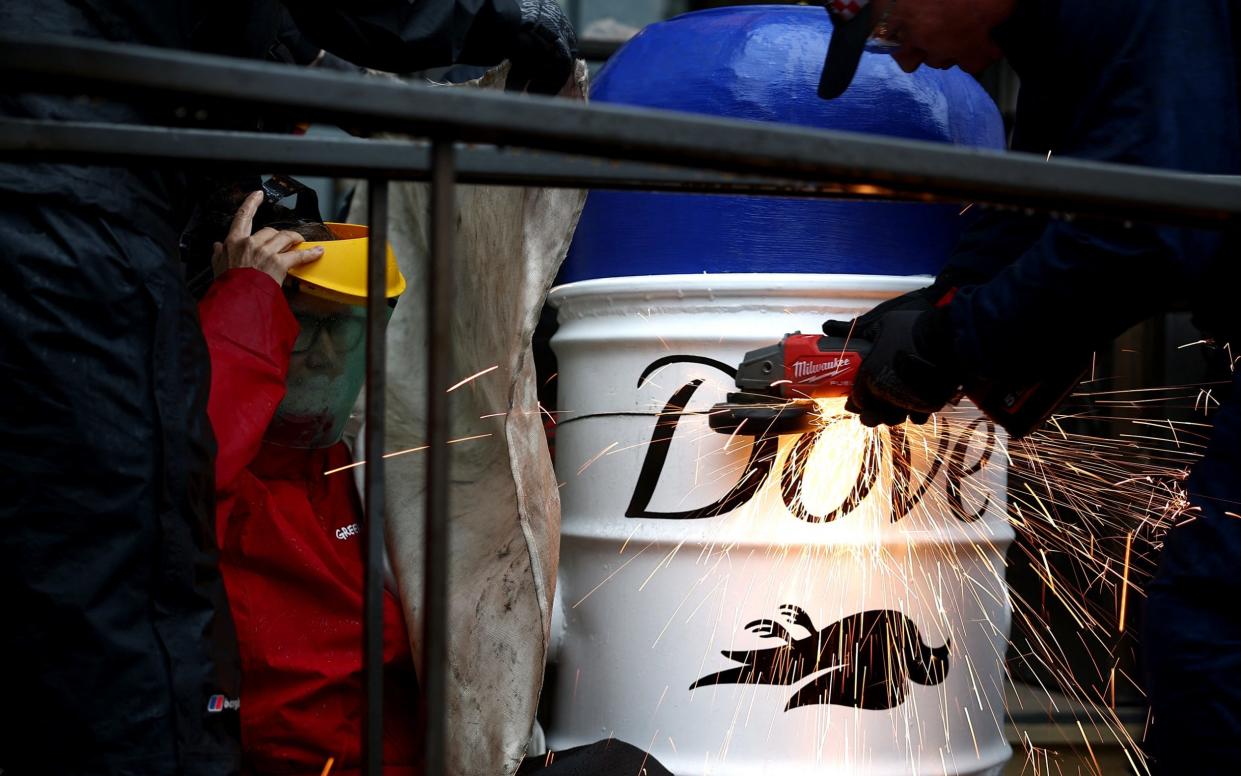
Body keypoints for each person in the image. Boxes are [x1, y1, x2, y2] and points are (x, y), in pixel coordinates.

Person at [0, 2, 576, 774]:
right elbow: (185, 462)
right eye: (302, 324)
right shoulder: (220, 465)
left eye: (350, 328)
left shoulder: (363, 476)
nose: (320, 353)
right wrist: (246, 302)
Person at [818, 0, 1240, 772]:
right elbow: (1038, 190)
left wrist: (953, 341)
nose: (902, 59)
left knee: (1216, 636)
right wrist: (943, 301)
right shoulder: (1068, 35)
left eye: (885, 26)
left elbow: (1143, 230)